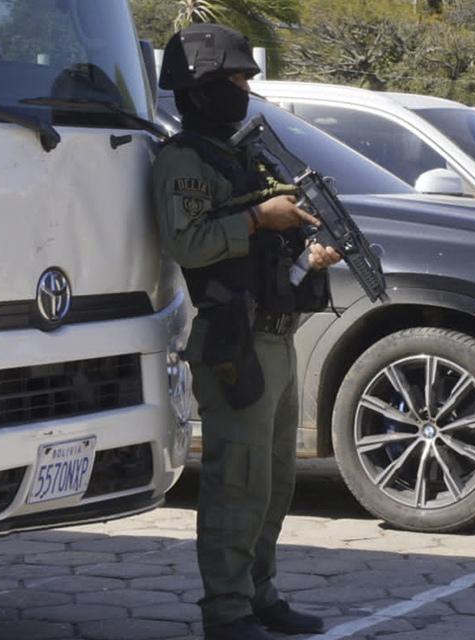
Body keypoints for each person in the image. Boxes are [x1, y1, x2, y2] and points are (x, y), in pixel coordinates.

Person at [152, 24, 340, 640]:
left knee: (275, 479)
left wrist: (307, 250)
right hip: (233, 340)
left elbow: (266, 241)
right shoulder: (183, 160)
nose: (242, 90)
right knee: (238, 480)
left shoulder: (243, 155)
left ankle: (260, 593)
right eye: (232, 80)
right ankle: (226, 612)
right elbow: (189, 242)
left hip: (275, 336)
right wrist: (260, 217)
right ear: (200, 91)